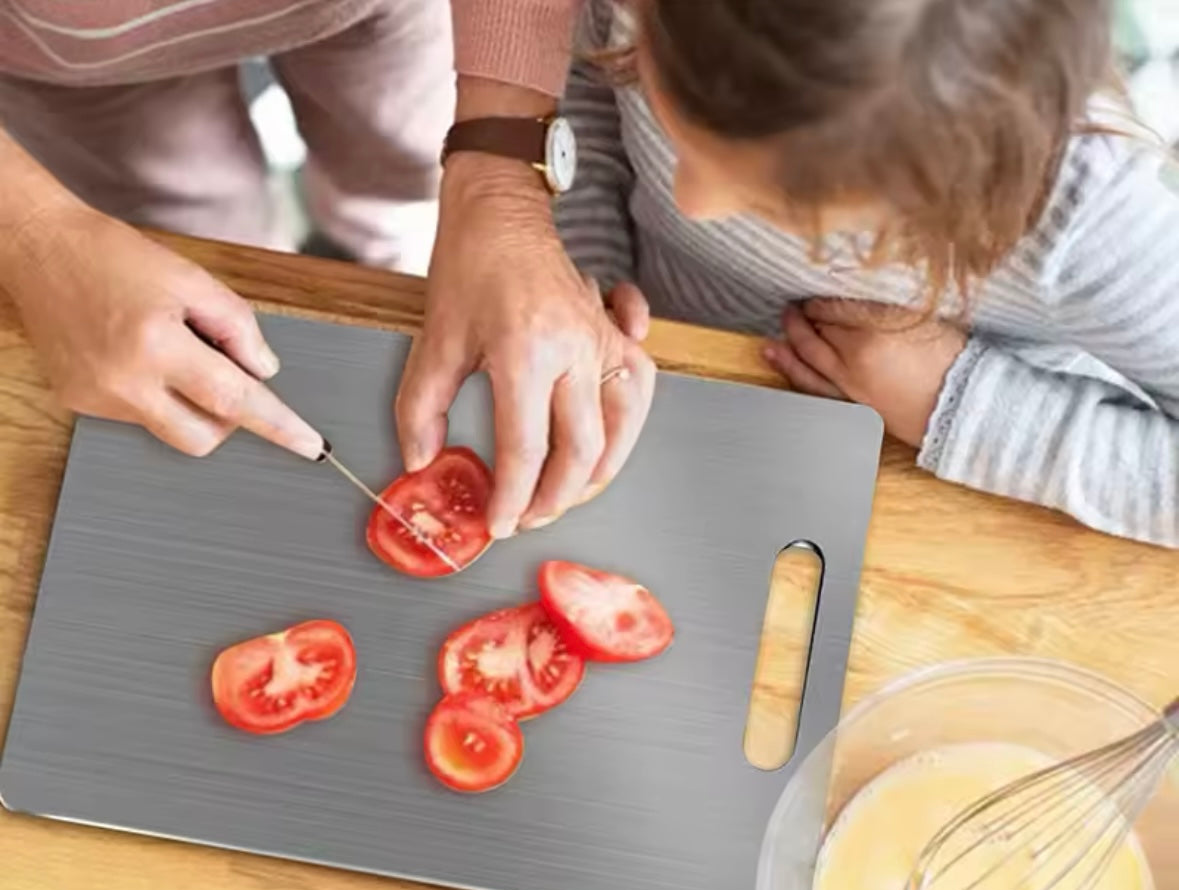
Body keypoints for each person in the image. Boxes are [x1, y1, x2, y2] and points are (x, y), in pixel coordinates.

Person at [0, 0, 648, 538]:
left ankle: (388, 264)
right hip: (73, 65)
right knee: (191, 234)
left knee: (401, 188)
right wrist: (31, 233)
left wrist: (498, 177)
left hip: (387, 12)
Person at [553, 0, 1179, 549]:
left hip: (946, 512)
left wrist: (956, 401)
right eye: (675, 127)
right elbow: (583, 77)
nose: (692, 201)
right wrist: (586, 270)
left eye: (779, 206)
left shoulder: (1085, 221)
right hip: (682, 395)